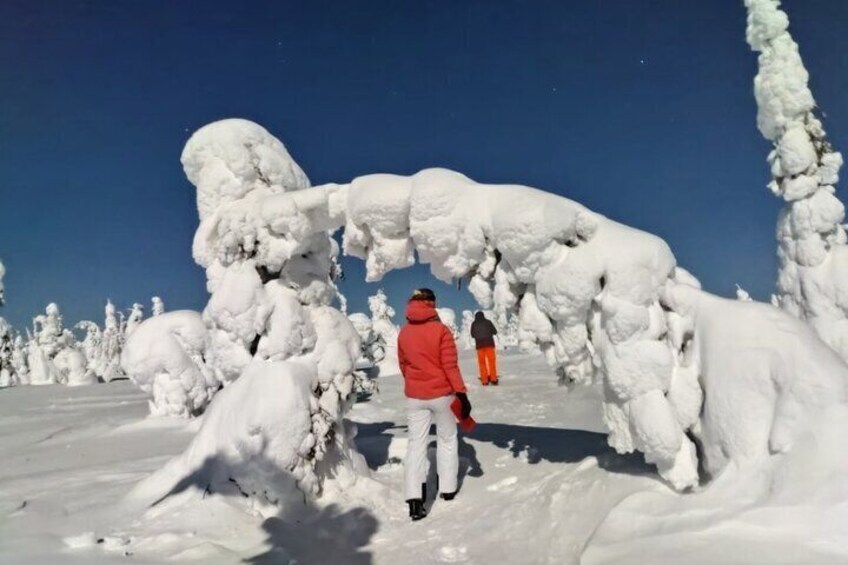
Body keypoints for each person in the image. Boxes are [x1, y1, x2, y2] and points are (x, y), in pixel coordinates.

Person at [397, 288, 471, 521]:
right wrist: (461, 393)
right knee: (447, 439)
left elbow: (404, 366)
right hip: (442, 395)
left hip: (415, 397)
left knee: (416, 444)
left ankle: (414, 500)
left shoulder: (404, 333)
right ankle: (448, 489)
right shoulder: (441, 330)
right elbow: (450, 366)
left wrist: (416, 382)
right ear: (431, 303)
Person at [470, 311, 499, 385]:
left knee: (482, 363)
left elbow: (472, 335)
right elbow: (495, 331)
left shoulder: (474, 324)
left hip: (479, 346)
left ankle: (484, 380)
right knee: (491, 362)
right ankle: (494, 379)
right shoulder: (488, 322)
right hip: (489, 345)